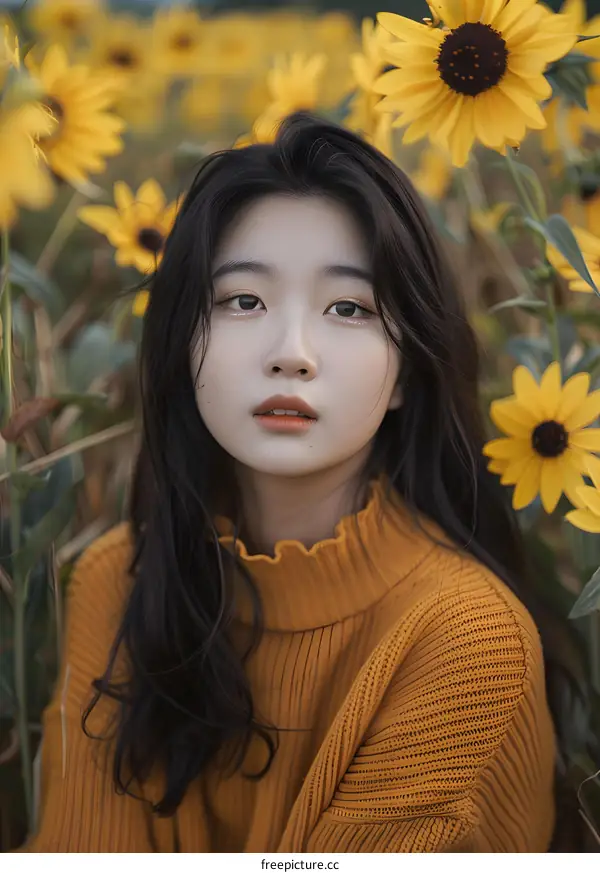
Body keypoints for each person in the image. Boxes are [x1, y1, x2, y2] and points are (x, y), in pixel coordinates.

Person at [19, 111, 562, 853]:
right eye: (244, 300)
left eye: (348, 308)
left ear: (407, 373)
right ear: (183, 341)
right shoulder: (117, 580)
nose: (291, 353)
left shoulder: (467, 640)